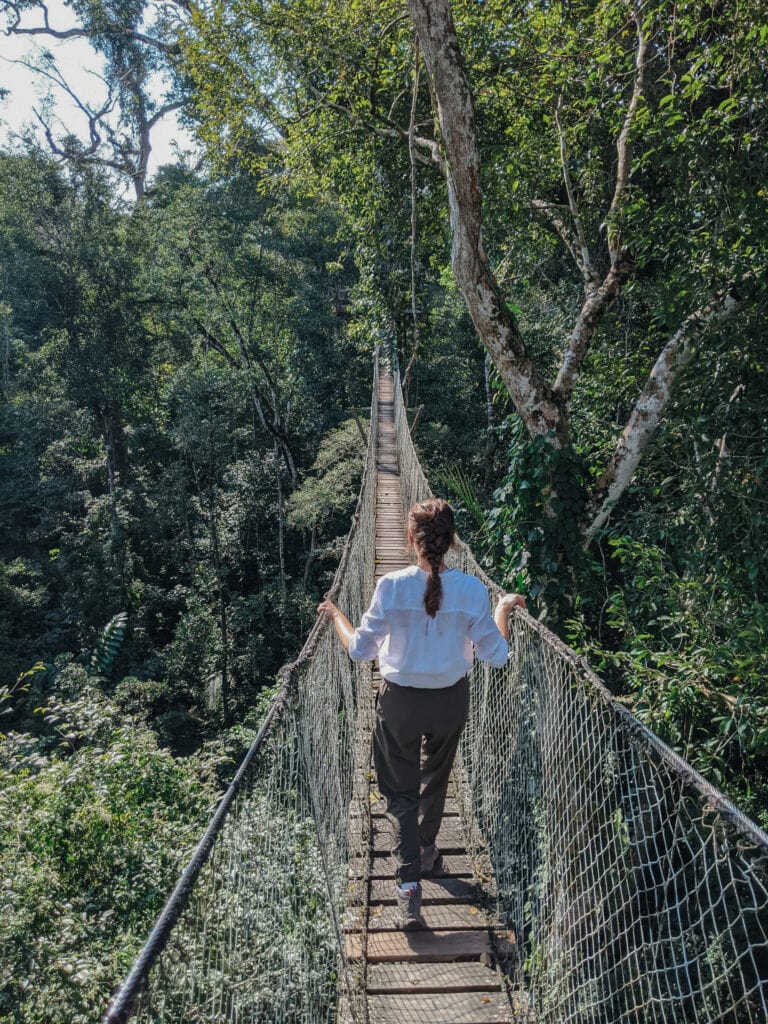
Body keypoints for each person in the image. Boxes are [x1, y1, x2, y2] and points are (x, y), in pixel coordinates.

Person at [318, 498, 526, 929]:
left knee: (401, 795)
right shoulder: (472, 590)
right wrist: (501, 610)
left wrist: (337, 615)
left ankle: (408, 884)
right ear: (452, 540)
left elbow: (360, 651)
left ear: (411, 538)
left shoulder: (391, 586)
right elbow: (497, 655)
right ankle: (429, 852)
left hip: (400, 704)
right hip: (450, 701)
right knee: (437, 777)